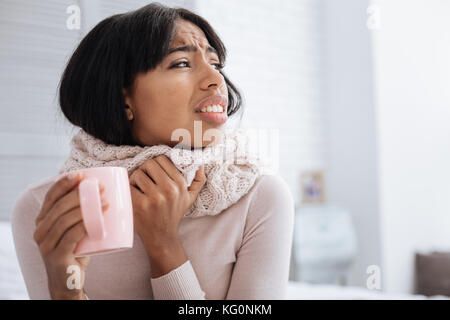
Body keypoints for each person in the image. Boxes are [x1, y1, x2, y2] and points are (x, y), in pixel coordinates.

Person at [11, 3, 294, 300]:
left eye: (216, 63)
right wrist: (65, 291)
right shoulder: (42, 210)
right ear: (122, 97)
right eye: (182, 63)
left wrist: (164, 247)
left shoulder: (260, 197)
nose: (216, 79)